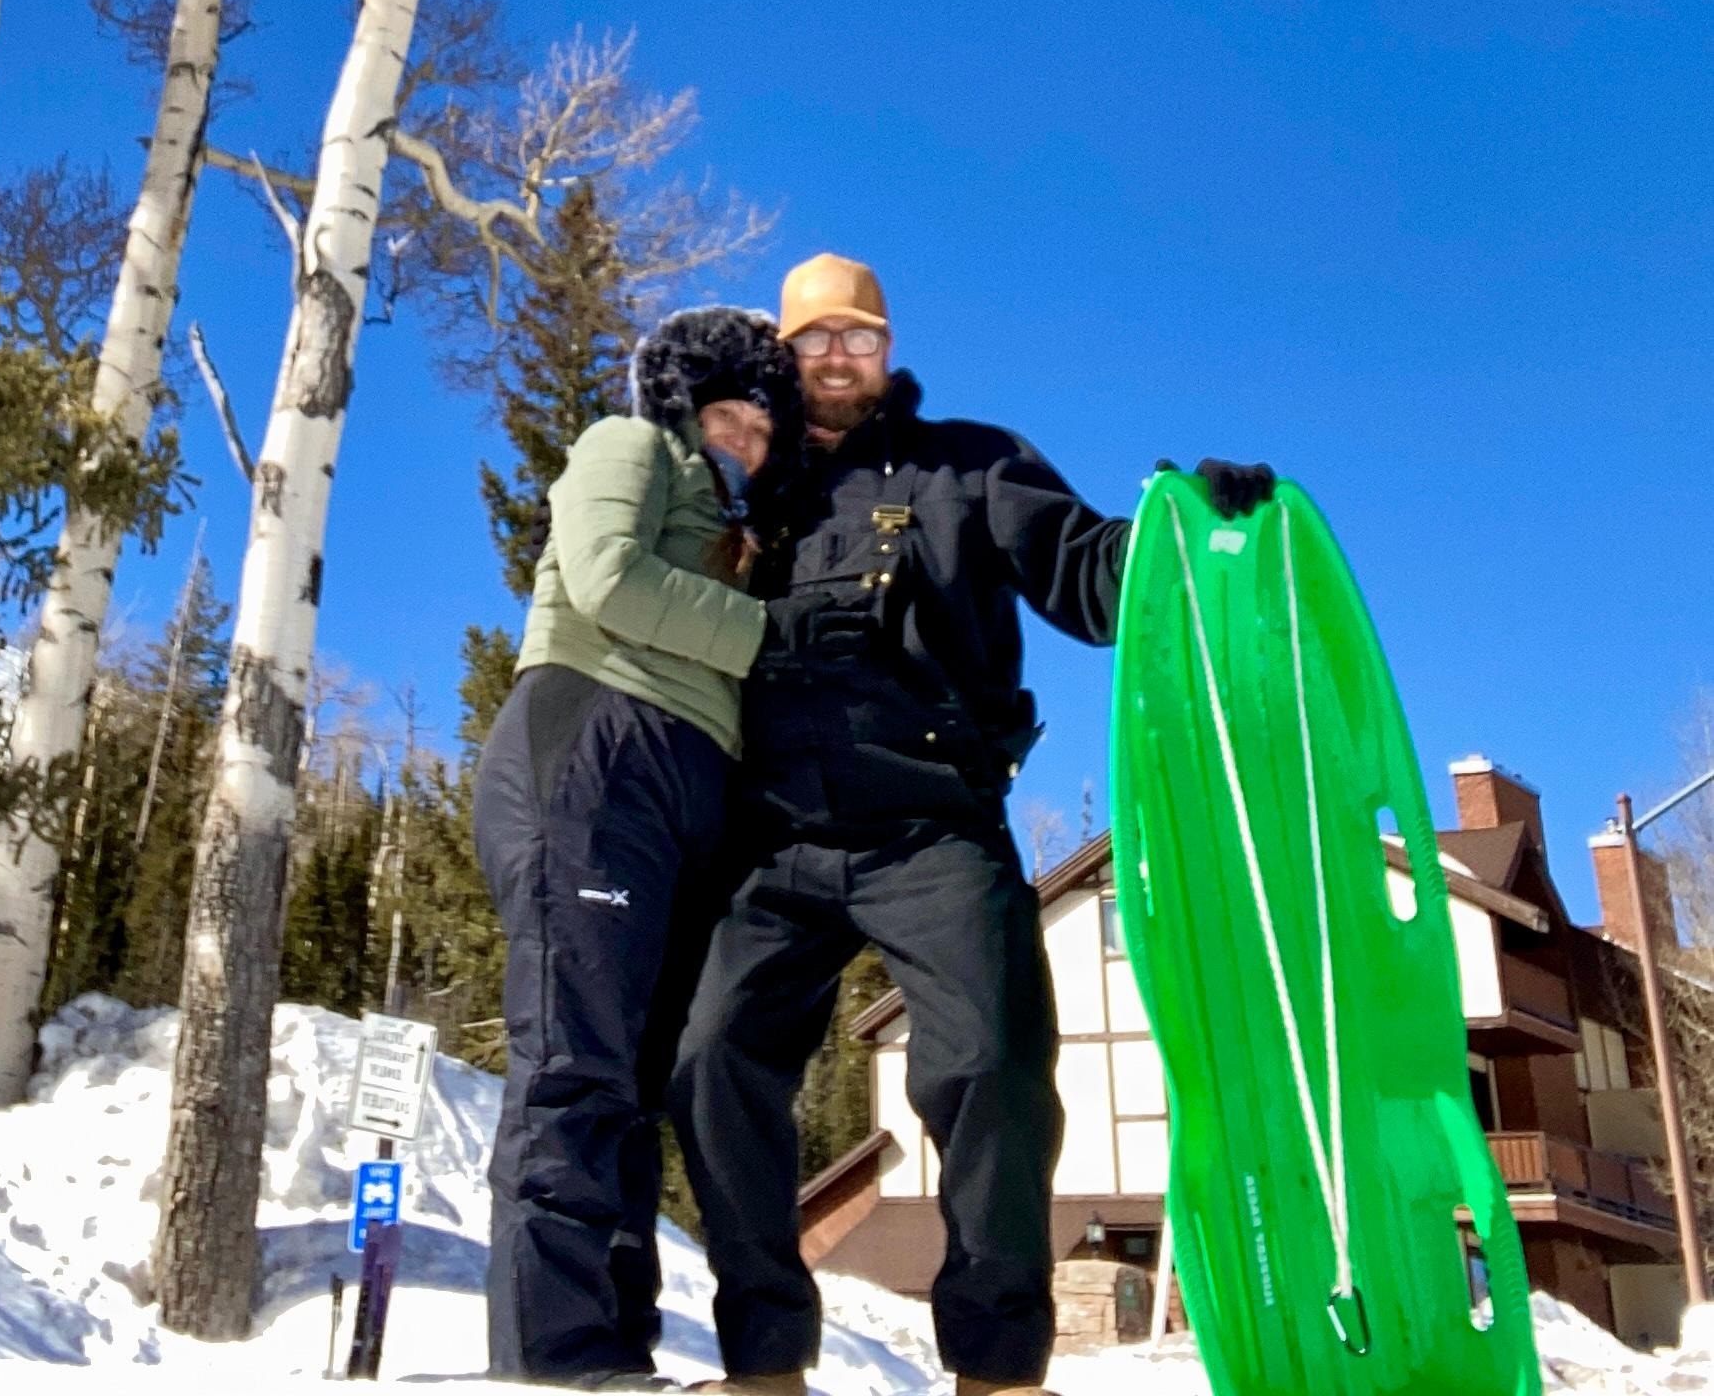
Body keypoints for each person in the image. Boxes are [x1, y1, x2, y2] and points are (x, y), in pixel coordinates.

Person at [672, 252, 1273, 1396]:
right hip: (776, 838)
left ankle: (997, 1370)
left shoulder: (972, 463)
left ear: (887, 349)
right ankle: (764, 1365)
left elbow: (1093, 579)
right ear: (783, 356)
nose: (837, 355)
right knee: (711, 1056)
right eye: (814, 339)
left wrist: (1187, 528)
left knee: (991, 1067)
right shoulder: (750, 484)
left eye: (859, 334)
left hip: (933, 827)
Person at [474, 306, 805, 1389]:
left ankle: (614, 1351)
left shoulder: (742, 531)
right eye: (728, 412)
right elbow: (608, 573)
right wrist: (768, 636)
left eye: (763, 426)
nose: (745, 437)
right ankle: (554, 1358)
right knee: (574, 1059)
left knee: (631, 1079)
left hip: (688, 789)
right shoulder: (631, 446)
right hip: (594, 744)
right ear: (683, 399)